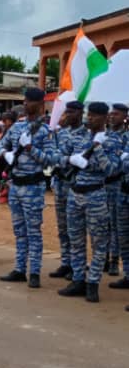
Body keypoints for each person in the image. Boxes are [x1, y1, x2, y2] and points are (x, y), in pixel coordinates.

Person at [57, 101, 117, 303]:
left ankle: (93, 283)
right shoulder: (77, 136)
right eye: (88, 115)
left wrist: (98, 149)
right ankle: (78, 280)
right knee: (76, 240)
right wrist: (71, 159)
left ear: (104, 118)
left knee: (99, 242)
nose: (89, 118)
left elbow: (111, 170)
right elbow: (59, 157)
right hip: (76, 194)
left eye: (94, 116)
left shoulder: (111, 140)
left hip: (96, 195)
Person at [0, 87, 50, 288]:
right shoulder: (16, 128)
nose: (26, 104)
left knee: (33, 231)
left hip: (33, 187)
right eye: (25, 100)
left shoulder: (45, 131)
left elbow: (51, 159)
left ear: (40, 104)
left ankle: (34, 272)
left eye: (30, 101)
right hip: (16, 186)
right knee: (19, 230)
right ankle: (19, 269)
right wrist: (6, 154)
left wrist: (31, 149)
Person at [48, 100, 84, 280]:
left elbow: (83, 160)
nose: (67, 115)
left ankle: (78, 266)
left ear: (80, 113)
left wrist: (64, 159)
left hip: (76, 186)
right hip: (61, 183)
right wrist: (67, 159)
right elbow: (54, 156)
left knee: (76, 228)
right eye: (66, 112)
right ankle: (66, 262)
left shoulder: (87, 134)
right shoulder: (61, 134)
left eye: (71, 112)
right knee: (62, 226)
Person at [104, 103, 128, 277]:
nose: (112, 117)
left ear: (124, 116)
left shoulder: (126, 137)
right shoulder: (103, 135)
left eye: (117, 114)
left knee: (115, 225)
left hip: (117, 185)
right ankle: (102, 259)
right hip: (101, 185)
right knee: (100, 224)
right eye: (111, 114)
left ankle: (114, 261)